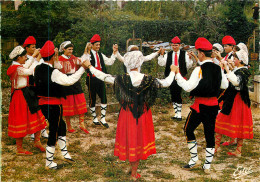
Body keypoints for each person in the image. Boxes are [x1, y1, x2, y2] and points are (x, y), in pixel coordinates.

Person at [84, 50, 176, 180]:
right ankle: (134, 173)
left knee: (130, 138)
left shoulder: (122, 79)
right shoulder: (148, 79)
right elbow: (166, 83)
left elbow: (103, 76)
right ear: (140, 62)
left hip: (127, 113)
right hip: (143, 113)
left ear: (128, 62)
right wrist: (173, 71)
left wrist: (89, 67)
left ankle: (132, 169)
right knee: (138, 139)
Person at [174, 37, 228, 173]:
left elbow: (187, 87)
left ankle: (194, 160)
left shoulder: (199, 70)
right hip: (213, 107)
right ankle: (207, 166)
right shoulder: (218, 68)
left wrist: (177, 74)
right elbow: (225, 85)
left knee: (188, 129)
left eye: (198, 52)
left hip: (200, 106)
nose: (198, 55)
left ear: (202, 54)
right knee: (209, 134)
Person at [34, 41, 88, 169]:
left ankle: (64, 153)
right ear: (53, 56)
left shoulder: (37, 68)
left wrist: (55, 57)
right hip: (54, 104)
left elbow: (52, 67)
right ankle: (49, 162)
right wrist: (83, 69)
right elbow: (70, 80)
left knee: (61, 126)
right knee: (54, 131)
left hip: (42, 103)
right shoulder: (54, 72)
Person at [7, 46, 47, 155]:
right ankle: (19, 148)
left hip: (26, 93)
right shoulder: (16, 68)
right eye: (24, 56)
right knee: (21, 119)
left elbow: (26, 66)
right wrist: (35, 57)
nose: (26, 58)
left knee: (37, 115)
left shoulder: (18, 66)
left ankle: (37, 141)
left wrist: (34, 58)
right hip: (20, 96)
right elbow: (29, 71)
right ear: (19, 57)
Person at [215, 50, 253, 157]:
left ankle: (221, 148)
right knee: (226, 121)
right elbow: (234, 75)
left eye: (235, 58)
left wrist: (227, 68)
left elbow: (236, 82)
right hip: (235, 100)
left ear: (240, 60)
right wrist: (227, 65)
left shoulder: (244, 72)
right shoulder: (241, 70)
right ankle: (230, 149)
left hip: (237, 101)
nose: (233, 60)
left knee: (223, 120)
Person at [81, 34, 118, 128]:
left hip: (101, 78)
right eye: (96, 44)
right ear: (91, 45)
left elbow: (109, 62)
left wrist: (114, 53)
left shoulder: (100, 54)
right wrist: (87, 51)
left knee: (104, 98)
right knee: (92, 98)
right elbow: (83, 61)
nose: (98, 46)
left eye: (99, 44)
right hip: (91, 78)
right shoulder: (87, 55)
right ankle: (94, 118)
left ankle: (103, 118)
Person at [158, 36, 193, 121]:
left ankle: (179, 114)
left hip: (180, 76)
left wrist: (190, 58)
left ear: (180, 45)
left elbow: (188, 66)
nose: (174, 47)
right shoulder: (168, 54)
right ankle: (176, 113)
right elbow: (161, 64)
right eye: (173, 45)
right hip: (170, 76)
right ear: (171, 45)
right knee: (173, 93)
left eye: (176, 45)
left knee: (178, 93)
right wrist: (161, 55)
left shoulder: (184, 54)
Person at [58, 41, 89, 134]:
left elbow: (83, 60)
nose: (71, 51)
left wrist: (87, 50)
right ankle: (69, 125)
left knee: (81, 100)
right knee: (67, 104)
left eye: (72, 49)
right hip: (65, 82)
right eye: (69, 49)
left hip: (75, 81)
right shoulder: (59, 59)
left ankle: (82, 123)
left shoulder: (74, 58)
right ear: (64, 49)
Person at [23, 36, 50, 139]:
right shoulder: (25, 58)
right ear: (27, 48)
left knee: (41, 109)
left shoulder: (39, 58)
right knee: (32, 110)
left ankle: (42, 130)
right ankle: (33, 132)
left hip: (39, 86)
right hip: (29, 87)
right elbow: (28, 69)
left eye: (35, 47)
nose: (34, 49)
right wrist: (35, 58)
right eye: (32, 47)